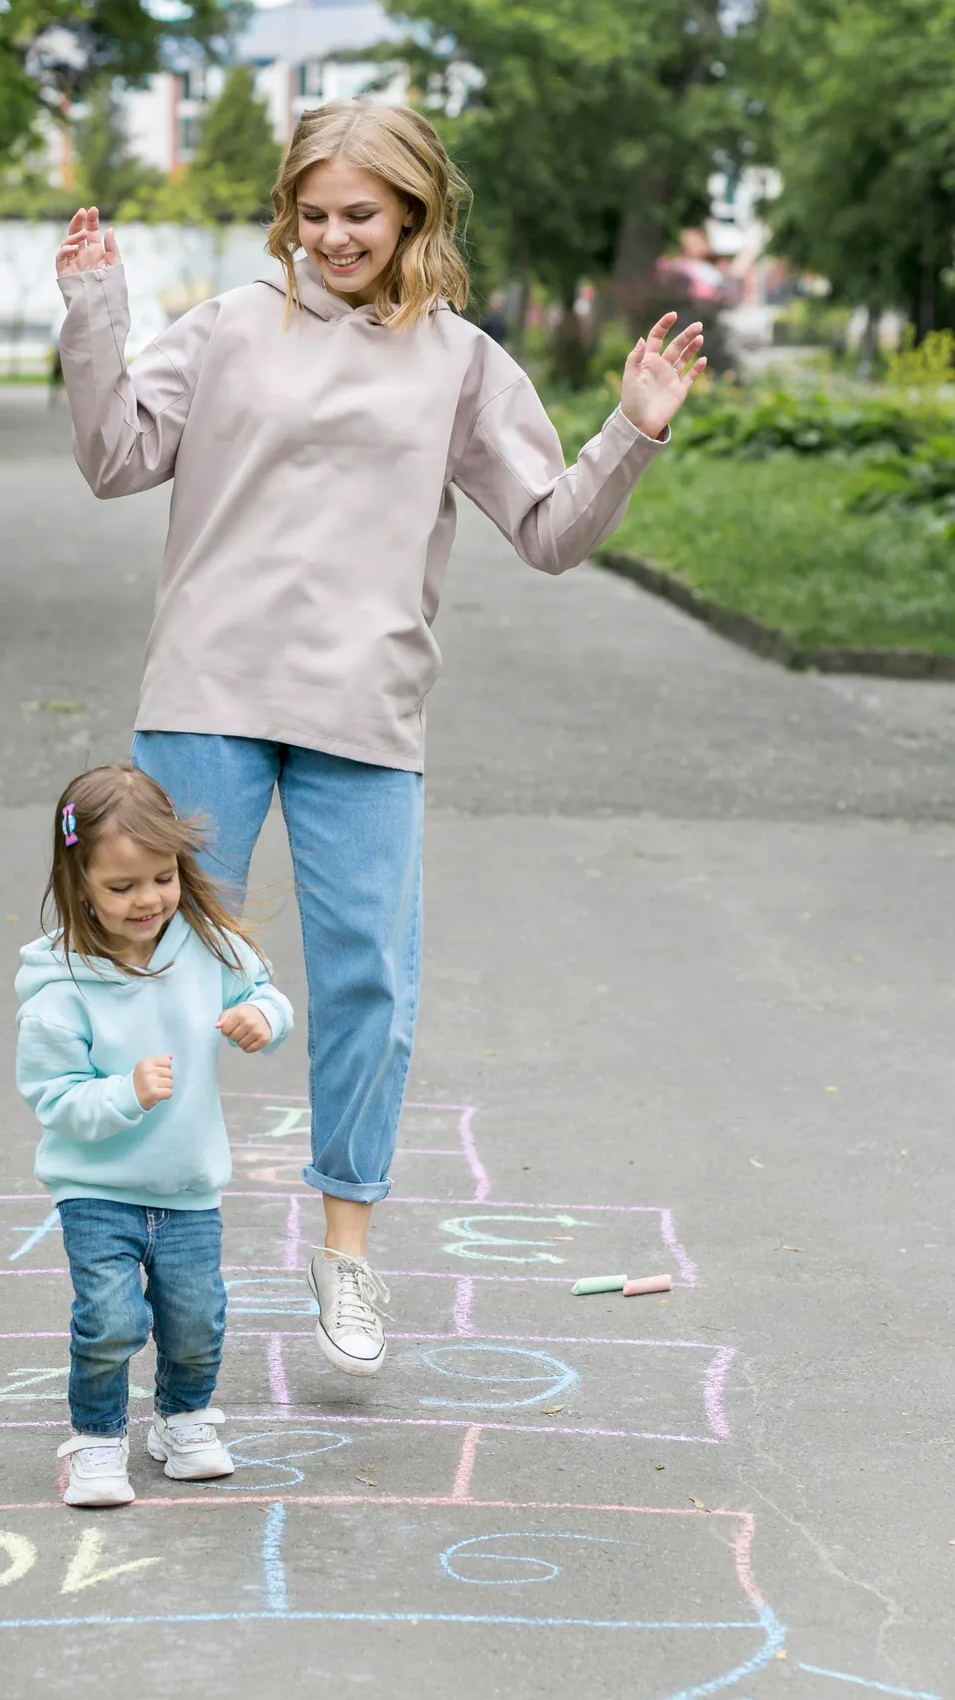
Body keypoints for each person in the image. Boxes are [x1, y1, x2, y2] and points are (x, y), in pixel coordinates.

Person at [52, 100, 705, 1382]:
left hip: (365, 707)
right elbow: (114, 457)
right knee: (159, 977)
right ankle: (133, 1228)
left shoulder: (461, 363)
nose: (336, 235)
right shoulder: (233, 327)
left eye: (361, 213)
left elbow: (549, 531)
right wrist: (94, 315)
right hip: (208, 692)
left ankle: (343, 1246)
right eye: (314, 213)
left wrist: (631, 428)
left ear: (412, 212)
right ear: (286, 213)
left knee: (369, 988)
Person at [15, 764, 293, 1507]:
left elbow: (263, 990)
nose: (149, 900)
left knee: (196, 1318)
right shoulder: (59, 992)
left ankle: (184, 1419)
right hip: (97, 1188)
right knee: (110, 1321)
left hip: (188, 1185)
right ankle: (97, 1441)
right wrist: (124, 1092)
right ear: (80, 887)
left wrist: (263, 1019)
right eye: (122, 886)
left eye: (162, 877)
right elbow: (54, 1097)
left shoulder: (204, 946)